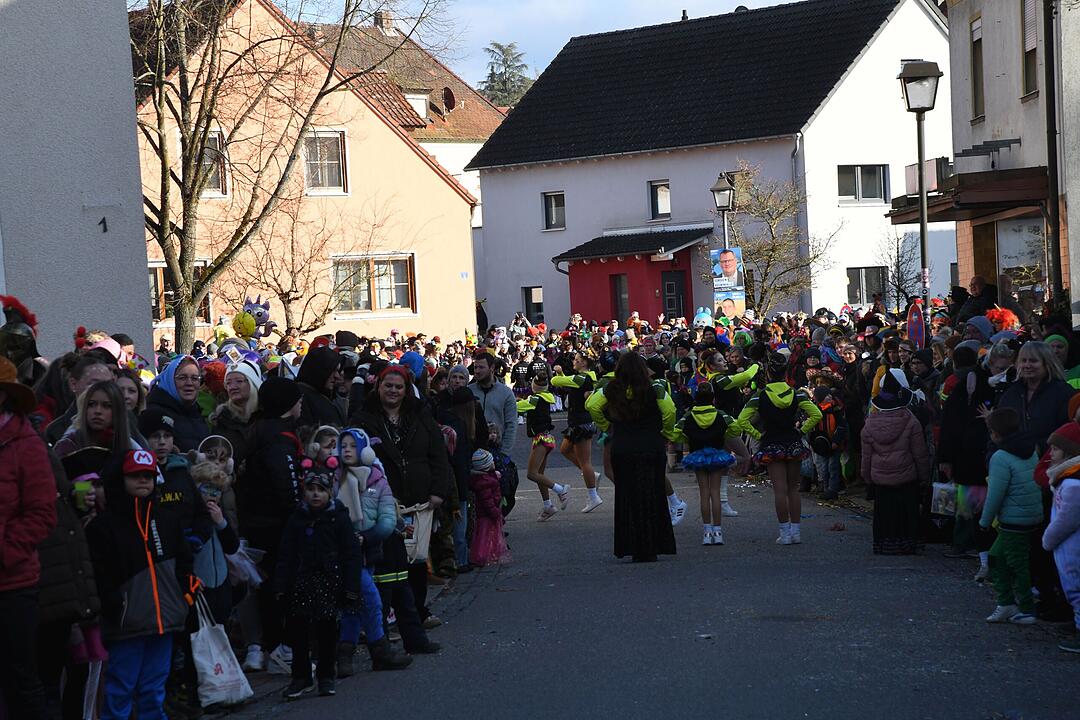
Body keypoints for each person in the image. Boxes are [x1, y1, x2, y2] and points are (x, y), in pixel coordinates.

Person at [86, 449, 195, 720]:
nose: (143, 481)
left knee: (153, 689)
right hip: (126, 622)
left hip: (165, 621)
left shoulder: (166, 519)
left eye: (148, 475)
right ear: (121, 479)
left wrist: (186, 595)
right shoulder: (104, 526)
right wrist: (112, 603)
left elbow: (184, 560)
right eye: (135, 475)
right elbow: (98, 572)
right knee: (120, 689)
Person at [350, 365, 451, 630]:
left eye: (399, 387)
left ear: (407, 390)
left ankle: (418, 611)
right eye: (388, 386)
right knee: (388, 561)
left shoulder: (420, 416)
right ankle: (386, 617)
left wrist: (440, 490)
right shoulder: (363, 419)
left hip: (420, 500)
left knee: (417, 560)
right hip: (383, 502)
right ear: (378, 387)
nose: (393, 391)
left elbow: (438, 454)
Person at [0, 357, 57, 719]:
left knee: (20, 679)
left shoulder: (25, 443)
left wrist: (3, 551)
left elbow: (42, 514)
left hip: (12, 585)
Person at [236, 376, 304, 675]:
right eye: (297, 400)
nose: (301, 404)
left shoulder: (257, 429)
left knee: (266, 587)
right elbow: (286, 484)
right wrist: (298, 513)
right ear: (289, 405)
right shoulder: (280, 437)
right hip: (275, 524)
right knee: (280, 586)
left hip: (255, 520)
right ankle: (281, 648)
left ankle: (270, 645)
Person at [276, 462, 361, 699]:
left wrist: (351, 588)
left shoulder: (338, 518)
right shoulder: (297, 518)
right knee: (298, 631)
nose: (315, 494)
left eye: (321, 489)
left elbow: (351, 555)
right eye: (311, 489)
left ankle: (326, 675)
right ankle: (301, 676)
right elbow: (286, 553)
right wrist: (281, 586)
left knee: (326, 631)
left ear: (330, 492)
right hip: (301, 581)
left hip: (329, 581)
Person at [587, 352, 678, 562]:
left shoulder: (611, 388)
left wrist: (606, 426)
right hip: (651, 446)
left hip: (623, 447)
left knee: (627, 496)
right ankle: (653, 545)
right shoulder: (655, 388)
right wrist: (666, 432)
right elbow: (670, 410)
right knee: (653, 493)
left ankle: (631, 545)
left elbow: (591, 405)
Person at [334, 428, 412, 674]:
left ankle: (344, 655)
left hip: (367, 552)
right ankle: (381, 651)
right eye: (342, 445)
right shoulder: (332, 479)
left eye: (352, 445)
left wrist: (366, 538)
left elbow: (387, 519)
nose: (346, 450)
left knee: (352, 605)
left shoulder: (378, 481)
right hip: (342, 556)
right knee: (371, 599)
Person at [737, 353, 822, 545]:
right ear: (785, 373)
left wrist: (759, 435)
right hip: (793, 442)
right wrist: (802, 431)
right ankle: (796, 532)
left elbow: (742, 420)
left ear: (768, 373)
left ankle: (784, 533)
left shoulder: (760, 395)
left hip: (772, 443)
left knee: (780, 490)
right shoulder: (797, 393)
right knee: (793, 489)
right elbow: (816, 414)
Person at [981, 408, 1042, 624]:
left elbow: (995, 493)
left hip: (1013, 520)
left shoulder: (1000, 457)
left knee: (1015, 562)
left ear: (995, 433)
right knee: (998, 559)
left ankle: (1025, 607)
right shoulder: (1031, 450)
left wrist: (985, 521)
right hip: (1030, 514)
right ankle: (1006, 602)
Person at [861, 370, 931, 555]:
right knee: (906, 512)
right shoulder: (911, 421)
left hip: (880, 478)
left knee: (884, 514)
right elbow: (920, 454)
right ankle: (907, 544)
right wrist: (925, 478)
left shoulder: (869, 423)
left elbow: (866, 457)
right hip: (906, 476)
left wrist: (867, 478)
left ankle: (885, 544)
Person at [675, 383, 747, 546]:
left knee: (704, 493)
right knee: (715, 492)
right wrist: (724, 435)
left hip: (698, 455)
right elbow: (735, 428)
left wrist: (688, 439)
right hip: (717, 455)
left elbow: (675, 432)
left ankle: (707, 533)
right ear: (713, 399)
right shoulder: (720, 414)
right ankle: (718, 532)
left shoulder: (688, 416)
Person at [1043, 421, 1080, 653]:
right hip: (1067, 548)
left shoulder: (1074, 484)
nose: (1050, 454)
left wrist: (1049, 538)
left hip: (1073, 549)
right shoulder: (1065, 479)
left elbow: (1068, 519)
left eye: (1055, 449)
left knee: (1076, 590)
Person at [551, 352, 603, 512]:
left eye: (578, 360)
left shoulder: (583, 378)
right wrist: (561, 373)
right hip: (575, 422)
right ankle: (591, 475)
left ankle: (593, 496)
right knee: (565, 449)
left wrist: (558, 373)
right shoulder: (581, 377)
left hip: (582, 423)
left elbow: (555, 381)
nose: (574, 361)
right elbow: (566, 384)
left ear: (585, 364)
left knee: (585, 461)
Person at [517, 374, 569, 521]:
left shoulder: (534, 399)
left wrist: (509, 402)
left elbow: (518, 407)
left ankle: (560, 489)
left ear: (533, 386)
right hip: (545, 438)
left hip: (541, 439)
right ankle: (548, 505)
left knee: (532, 474)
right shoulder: (545, 398)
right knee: (539, 473)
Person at [145, 355, 209, 452]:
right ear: (169, 380)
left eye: (195, 378)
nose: (189, 383)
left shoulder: (196, 411)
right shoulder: (155, 413)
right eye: (182, 378)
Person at [468, 353, 517, 455]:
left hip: (497, 451)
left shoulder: (506, 393)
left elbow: (511, 425)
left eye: (481, 367)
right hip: (472, 451)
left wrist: (504, 453)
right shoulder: (469, 391)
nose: (477, 371)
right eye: (475, 367)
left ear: (492, 368)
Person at [468, 449, 510, 566]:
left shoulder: (485, 479)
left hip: (488, 512)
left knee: (488, 534)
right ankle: (482, 555)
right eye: (491, 461)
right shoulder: (485, 482)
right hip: (487, 514)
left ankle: (490, 553)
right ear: (486, 466)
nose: (494, 463)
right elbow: (488, 501)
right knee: (485, 535)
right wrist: (495, 512)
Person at [295, 346, 346, 428]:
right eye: (332, 370)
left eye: (337, 371)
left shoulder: (321, 395)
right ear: (319, 369)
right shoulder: (299, 398)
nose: (337, 376)